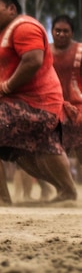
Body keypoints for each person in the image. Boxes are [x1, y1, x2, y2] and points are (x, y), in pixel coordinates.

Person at [0, 0, 77, 204]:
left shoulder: (25, 27)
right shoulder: (2, 33)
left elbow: (33, 61)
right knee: (25, 155)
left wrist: (4, 87)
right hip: (32, 103)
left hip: (34, 103)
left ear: (11, 8)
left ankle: (2, 196)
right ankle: (68, 192)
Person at [50, 14, 82, 181]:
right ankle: (53, 190)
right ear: (51, 31)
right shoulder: (43, 52)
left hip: (79, 108)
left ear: (72, 33)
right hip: (52, 108)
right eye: (58, 31)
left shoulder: (80, 51)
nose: (61, 34)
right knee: (50, 152)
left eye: (65, 31)